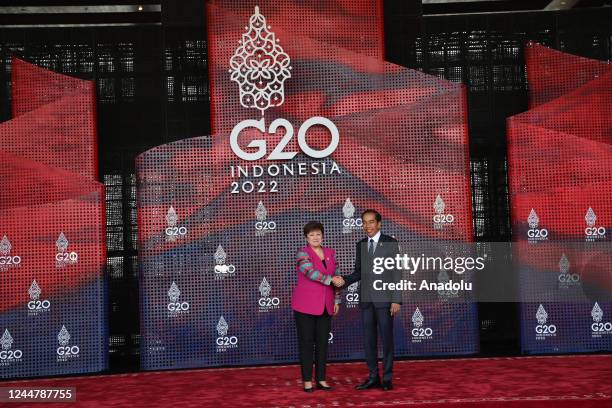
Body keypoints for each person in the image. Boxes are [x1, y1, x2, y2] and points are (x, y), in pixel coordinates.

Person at [332, 209, 401, 391]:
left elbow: (396, 273)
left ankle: (386, 378)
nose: (367, 225)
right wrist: (343, 281)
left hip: (386, 300)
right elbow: (358, 273)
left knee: (386, 340)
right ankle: (372, 377)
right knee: (368, 341)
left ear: (379, 223)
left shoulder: (390, 242)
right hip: (367, 301)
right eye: (364, 222)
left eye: (371, 222)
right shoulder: (360, 244)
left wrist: (396, 300)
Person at [291, 221, 341, 392]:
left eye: (318, 234)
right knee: (306, 343)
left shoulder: (330, 253)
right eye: (311, 235)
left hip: (326, 305)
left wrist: (337, 300)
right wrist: (330, 280)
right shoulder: (302, 253)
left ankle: (321, 379)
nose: (315, 237)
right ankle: (307, 381)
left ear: (323, 236)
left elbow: (337, 277)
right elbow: (310, 272)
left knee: (322, 344)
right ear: (306, 237)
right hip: (305, 306)